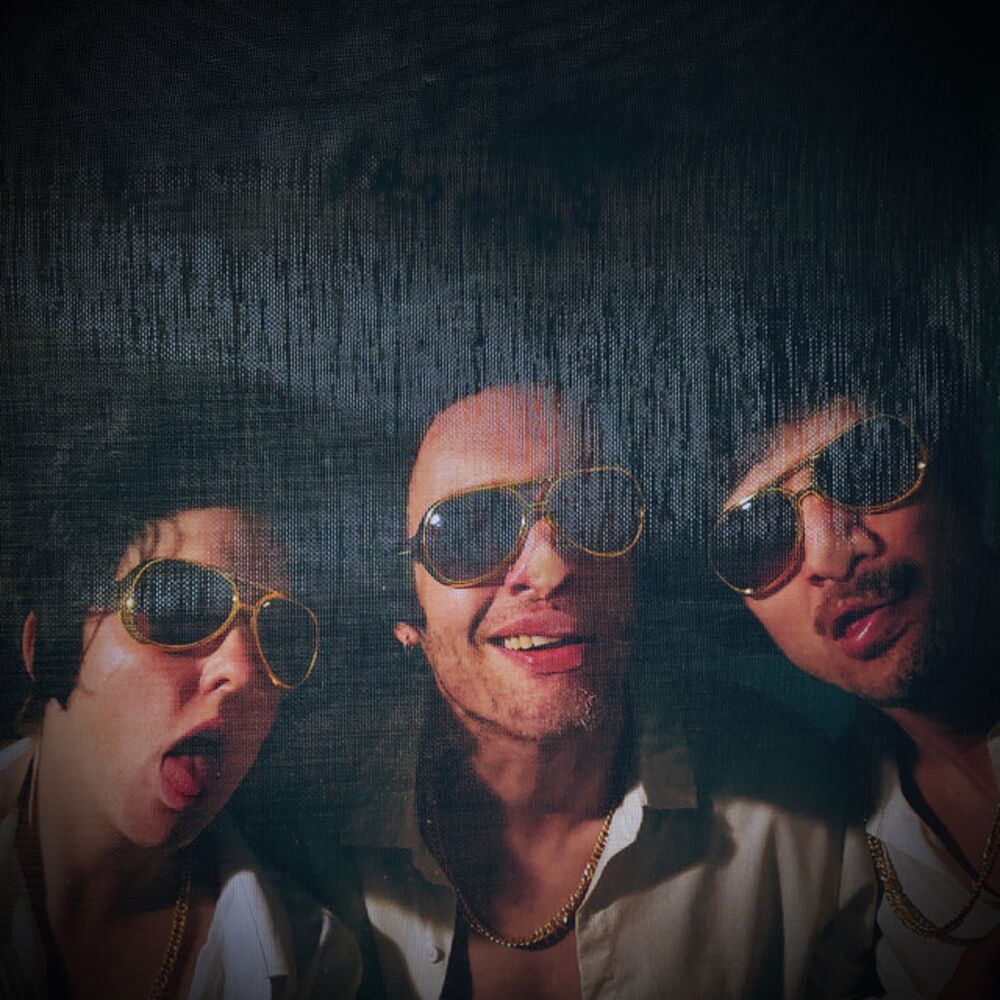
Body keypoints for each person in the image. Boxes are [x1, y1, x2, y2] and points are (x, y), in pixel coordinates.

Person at [303, 383, 875, 999]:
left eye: (595, 513)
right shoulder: (301, 817)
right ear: (400, 601)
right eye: (468, 531)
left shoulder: (804, 814)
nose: (550, 570)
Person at [0, 365, 360, 999]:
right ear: (47, 643)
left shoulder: (313, 965)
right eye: (181, 607)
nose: (243, 671)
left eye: (277, 635)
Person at [710, 357, 1000, 997]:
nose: (831, 556)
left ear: (956, 472)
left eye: (868, 469)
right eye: (758, 538)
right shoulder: (828, 852)